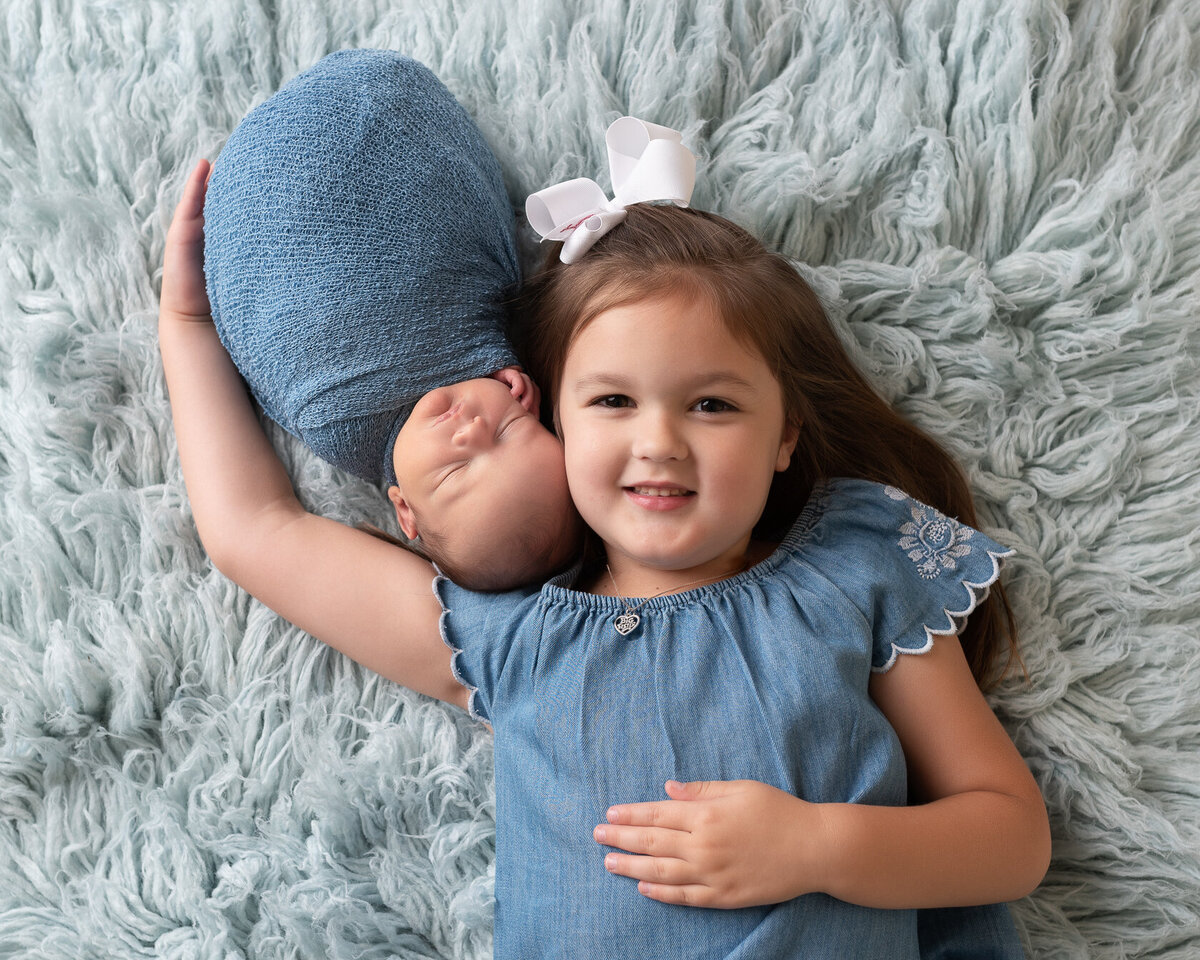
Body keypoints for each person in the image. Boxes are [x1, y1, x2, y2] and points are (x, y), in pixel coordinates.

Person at [161, 136, 1050, 959]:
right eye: (613, 403)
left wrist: (817, 846)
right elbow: (256, 531)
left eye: (712, 405)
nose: (659, 441)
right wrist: (188, 328)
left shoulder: (852, 571)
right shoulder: (512, 638)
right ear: (551, 418)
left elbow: (1010, 839)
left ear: (785, 436)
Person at [201, 49, 580, 589]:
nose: (472, 430)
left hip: (266, 199)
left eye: (455, 471)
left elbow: (272, 360)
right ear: (525, 396)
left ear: (406, 511)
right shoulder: (487, 339)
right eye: (508, 428)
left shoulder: (341, 430)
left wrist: (191, 313)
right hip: (382, 112)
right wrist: (497, 362)